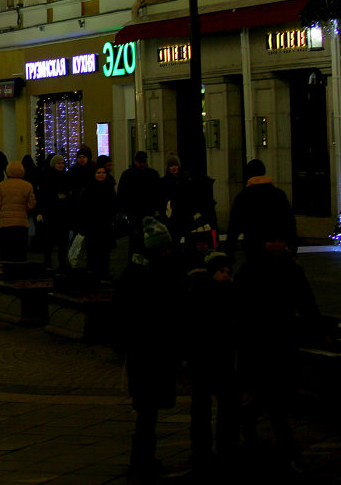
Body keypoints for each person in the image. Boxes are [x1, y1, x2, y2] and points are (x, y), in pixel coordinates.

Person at [234, 218, 328, 471]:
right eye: (271, 240)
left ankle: (253, 420)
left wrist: (316, 327)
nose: (276, 245)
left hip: (282, 336)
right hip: (259, 339)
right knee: (273, 389)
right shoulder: (252, 269)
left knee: (274, 389)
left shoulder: (290, 268)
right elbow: (240, 306)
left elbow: (305, 300)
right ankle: (282, 439)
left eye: (279, 240)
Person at [112, 217, 184, 481]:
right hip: (147, 351)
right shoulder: (141, 275)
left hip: (153, 351)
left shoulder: (160, 271)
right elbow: (124, 313)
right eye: (163, 247)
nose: (167, 251)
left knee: (148, 410)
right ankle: (142, 459)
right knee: (147, 410)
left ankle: (144, 457)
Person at [186, 251, 241, 473]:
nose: (225, 275)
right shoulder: (200, 293)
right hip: (204, 360)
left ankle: (225, 445)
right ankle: (202, 449)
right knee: (202, 408)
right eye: (221, 271)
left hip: (223, 359)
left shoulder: (231, 293)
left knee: (226, 405)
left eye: (228, 271)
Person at [225, 158, 297, 262]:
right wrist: (293, 248)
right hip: (276, 245)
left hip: (253, 245)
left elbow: (234, 226)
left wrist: (229, 250)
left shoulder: (243, 196)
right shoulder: (278, 194)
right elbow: (289, 222)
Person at [116, 151, 163, 253]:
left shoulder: (129, 175)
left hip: (144, 213)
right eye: (140, 162)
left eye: (143, 162)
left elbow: (158, 194)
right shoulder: (150, 174)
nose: (142, 164)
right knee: (138, 242)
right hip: (136, 214)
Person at [78, 164, 118, 281]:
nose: (101, 175)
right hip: (92, 225)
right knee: (93, 250)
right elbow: (83, 207)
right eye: (98, 173)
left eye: (103, 173)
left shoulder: (109, 188)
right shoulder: (89, 189)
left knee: (105, 251)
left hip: (106, 225)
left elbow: (114, 205)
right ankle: (92, 273)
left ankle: (104, 272)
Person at [0, 160, 36, 262]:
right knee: (20, 251)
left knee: (6, 251)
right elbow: (31, 204)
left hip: (4, 224)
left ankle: (6, 271)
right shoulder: (27, 185)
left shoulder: (2, 185)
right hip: (21, 223)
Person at [38, 154, 75, 270]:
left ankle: (62, 263)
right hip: (51, 213)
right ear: (53, 164)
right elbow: (44, 195)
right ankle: (48, 262)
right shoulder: (47, 176)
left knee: (63, 240)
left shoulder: (66, 176)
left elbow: (69, 192)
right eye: (58, 163)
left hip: (63, 213)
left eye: (62, 163)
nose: (61, 165)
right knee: (49, 240)